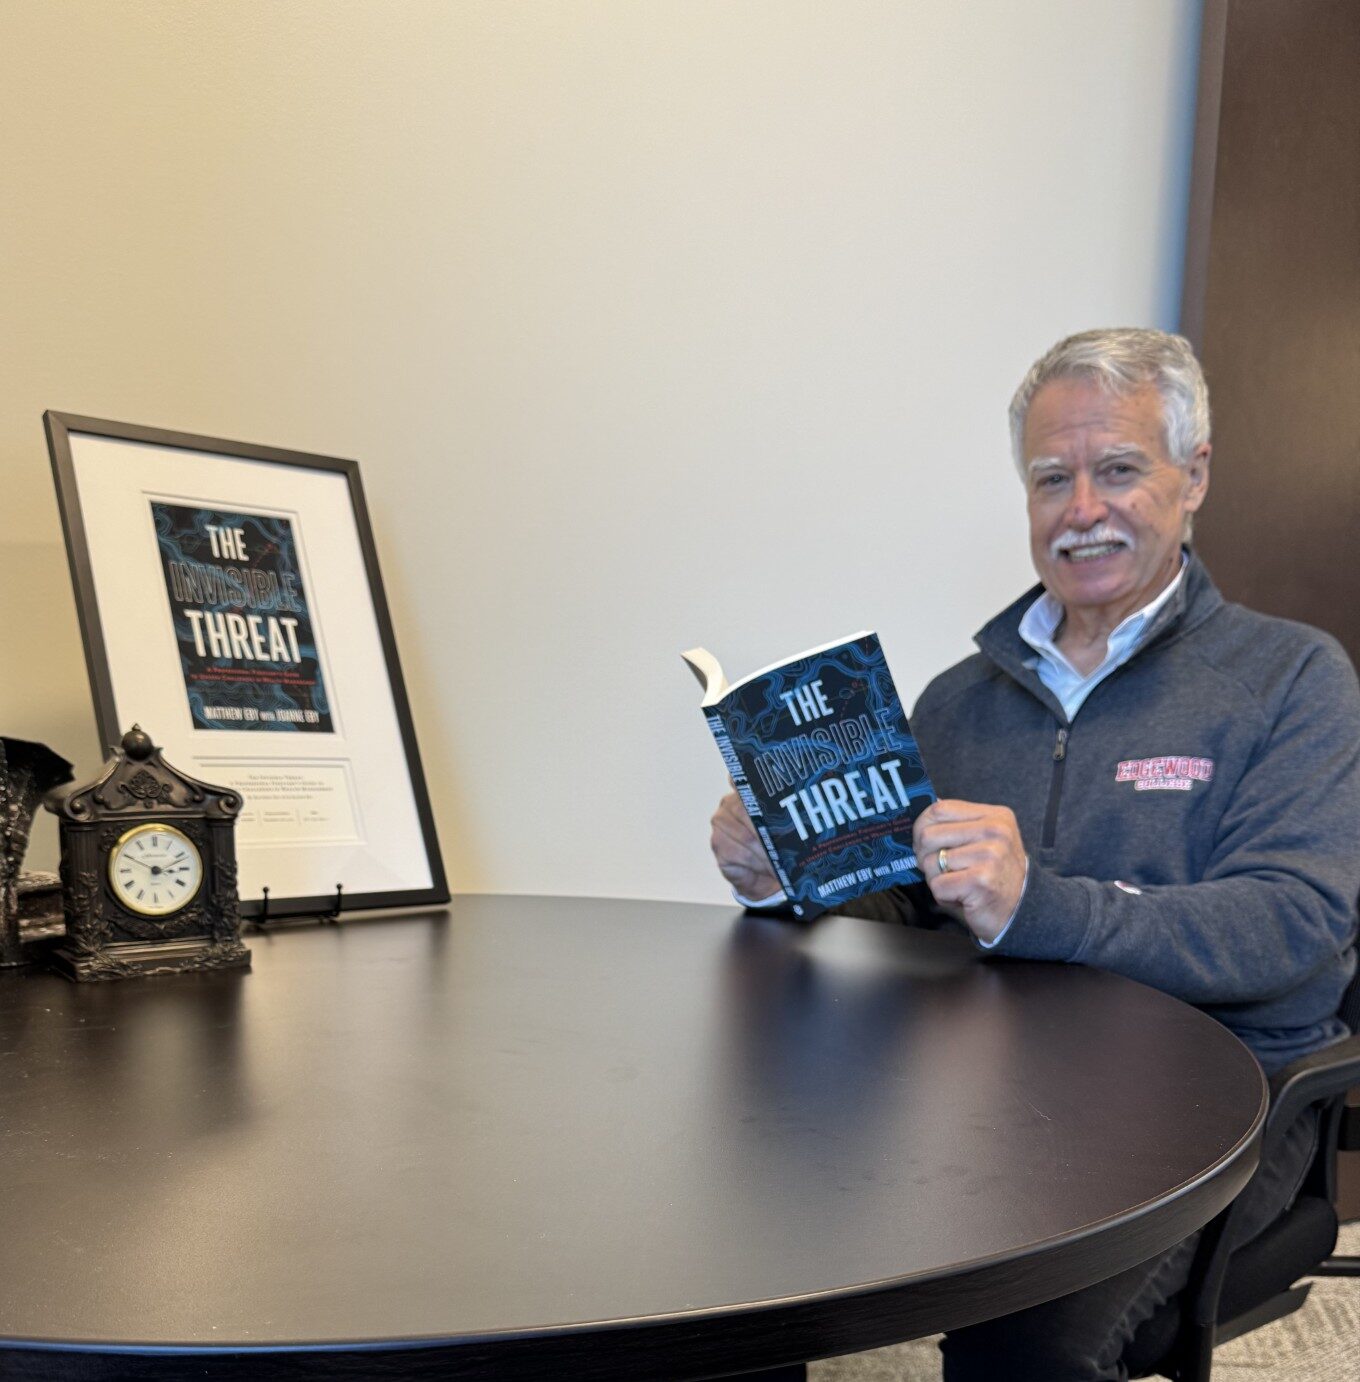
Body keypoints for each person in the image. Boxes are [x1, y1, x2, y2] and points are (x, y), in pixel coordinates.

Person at [708, 328, 1360, 1381]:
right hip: (996, 1089)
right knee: (738, 1260)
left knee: (1024, 1339)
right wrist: (788, 877)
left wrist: (1036, 904)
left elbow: (1289, 922)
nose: (1082, 508)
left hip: (1219, 1102)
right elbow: (915, 915)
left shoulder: (1293, 678)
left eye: (1117, 471)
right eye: (1051, 478)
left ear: (1192, 477)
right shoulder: (960, 700)